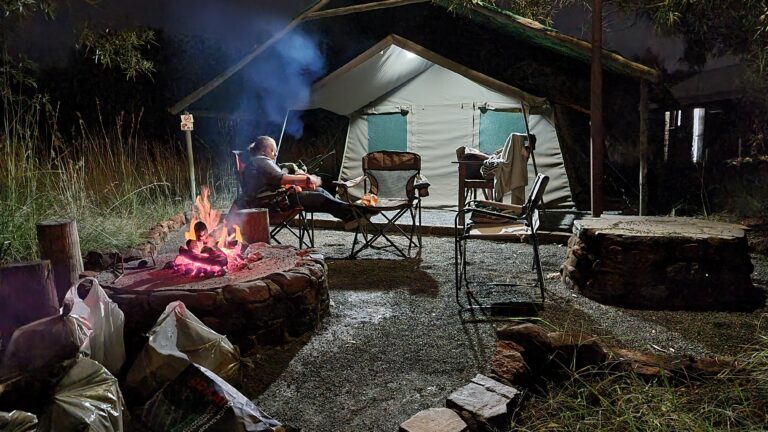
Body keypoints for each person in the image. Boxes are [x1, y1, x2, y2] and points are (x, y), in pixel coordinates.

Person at [233, 136, 363, 229]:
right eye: (273, 150)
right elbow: (281, 178)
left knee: (319, 191)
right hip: (271, 203)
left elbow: (276, 180)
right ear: (264, 150)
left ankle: (350, 215)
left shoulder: (256, 162)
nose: (276, 154)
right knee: (319, 196)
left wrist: (302, 181)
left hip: (271, 199)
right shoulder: (261, 160)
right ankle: (353, 213)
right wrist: (308, 179)